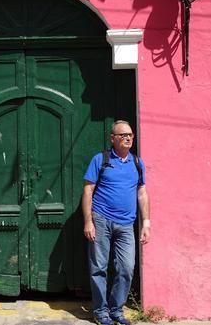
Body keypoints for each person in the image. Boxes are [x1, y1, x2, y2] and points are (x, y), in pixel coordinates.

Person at [82, 120, 151, 325]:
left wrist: (146, 223)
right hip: (101, 220)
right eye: (123, 135)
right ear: (113, 138)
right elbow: (88, 191)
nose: (128, 138)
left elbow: (142, 193)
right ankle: (100, 310)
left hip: (126, 224)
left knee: (126, 268)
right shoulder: (100, 160)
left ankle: (116, 309)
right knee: (98, 268)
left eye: (130, 135)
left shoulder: (137, 163)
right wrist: (88, 221)